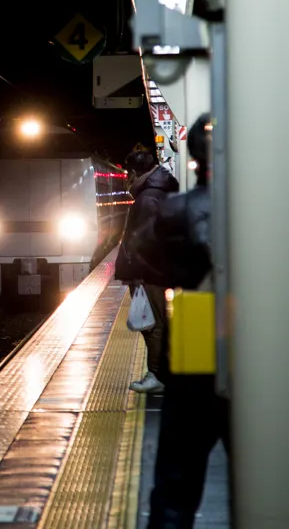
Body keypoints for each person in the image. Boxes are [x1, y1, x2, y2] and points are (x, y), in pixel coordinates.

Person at [130, 113, 233, 529]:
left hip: (193, 340)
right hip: (256, 344)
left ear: (194, 160)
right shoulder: (269, 211)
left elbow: (146, 250)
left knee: (175, 478)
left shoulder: (174, 212)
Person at [114, 147, 179, 393]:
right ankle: (160, 372)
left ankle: (157, 375)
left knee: (153, 323)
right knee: (155, 321)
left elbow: (150, 240)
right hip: (155, 271)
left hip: (150, 273)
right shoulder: (156, 193)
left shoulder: (147, 198)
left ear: (133, 172)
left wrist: (141, 273)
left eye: (128, 172)